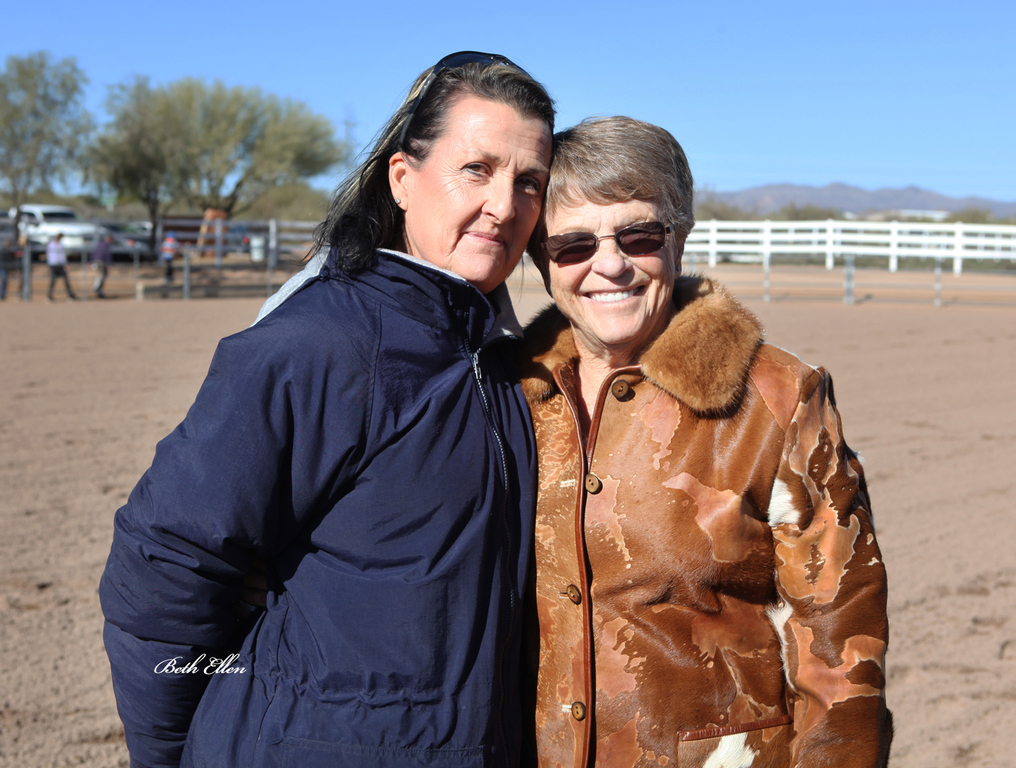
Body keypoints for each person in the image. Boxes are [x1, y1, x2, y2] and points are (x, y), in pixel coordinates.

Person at [100, 52, 553, 768]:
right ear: (403, 179)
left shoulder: (503, 363)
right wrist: (172, 754)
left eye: (529, 181)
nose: (505, 204)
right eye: (477, 169)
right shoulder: (316, 344)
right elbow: (165, 568)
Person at [518, 117, 892, 767]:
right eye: (573, 245)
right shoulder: (501, 397)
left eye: (639, 234)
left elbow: (839, 648)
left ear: (680, 236)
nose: (610, 263)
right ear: (541, 260)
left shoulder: (776, 398)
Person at [46, 233, 77, 301]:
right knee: (56, 280)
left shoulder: (53, 244)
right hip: (56, 264)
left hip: (55, 264)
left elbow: (50, 255)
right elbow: (61, 256)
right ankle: (50, 296)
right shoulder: (55, 245)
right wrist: (65, 265)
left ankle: (70, 294)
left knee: (63, 280)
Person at [90, 234, 113, 298]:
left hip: (96, 261)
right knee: (102, 275)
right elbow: (107, 255)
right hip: (101, 262)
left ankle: (98, 289)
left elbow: (93, 252)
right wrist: (109, 264)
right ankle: (96, 288)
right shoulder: (106, 245)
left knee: (101, 275)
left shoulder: (99, 244)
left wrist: (91, 260)